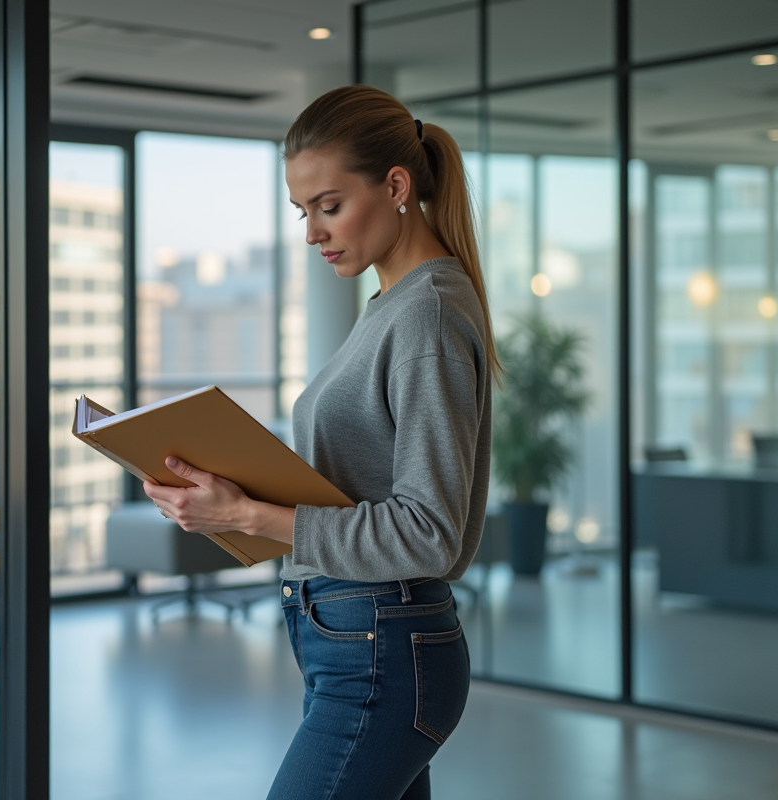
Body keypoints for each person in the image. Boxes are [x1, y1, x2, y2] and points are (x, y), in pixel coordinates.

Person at [143, 85, 498, 800]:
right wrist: (233, 499)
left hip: (382, 650)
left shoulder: (424, 316)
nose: (312, 233)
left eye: (329, 206)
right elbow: (360, 490)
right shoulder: (390, 306)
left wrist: (248, 517)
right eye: (302, 211)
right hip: (350, 642)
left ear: (396, 185)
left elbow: (429, 533)